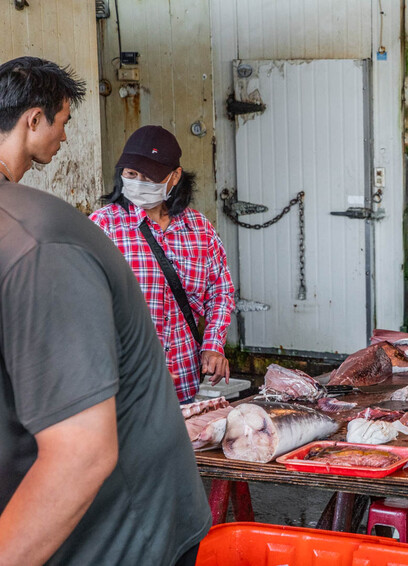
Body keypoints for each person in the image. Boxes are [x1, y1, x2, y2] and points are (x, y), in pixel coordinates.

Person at [0, 57, 210, 565]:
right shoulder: (93, 223)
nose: (66, 137)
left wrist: (214, 345)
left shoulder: (40, 246)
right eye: (66, 121)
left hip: (123, 534)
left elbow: (82, 453)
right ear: (34, 120)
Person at [90, 126, 235, 403]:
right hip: (125, 388)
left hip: (183, 384)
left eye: (149, 177)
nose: (139, 182)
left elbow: (220, 291)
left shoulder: (199, 229)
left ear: (174, 177)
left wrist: (213, 345)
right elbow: (82, 305)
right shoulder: (103, 226)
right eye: (131, 174)